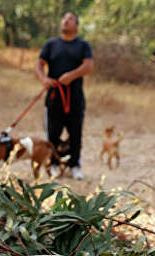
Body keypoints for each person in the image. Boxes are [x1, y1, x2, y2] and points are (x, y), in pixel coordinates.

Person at [35, 12, 94, 180]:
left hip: (75, 98)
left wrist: (71, 76)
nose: (65, 21)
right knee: (52, 133)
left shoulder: (83, 45)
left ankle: (75, 165)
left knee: (75, 133)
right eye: (64, 19)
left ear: (76, 26)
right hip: (54, 97)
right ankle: (53, 164)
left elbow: (89, 66)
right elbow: (39, 63)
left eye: (70, 20)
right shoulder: (51, 44)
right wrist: (43, 78)